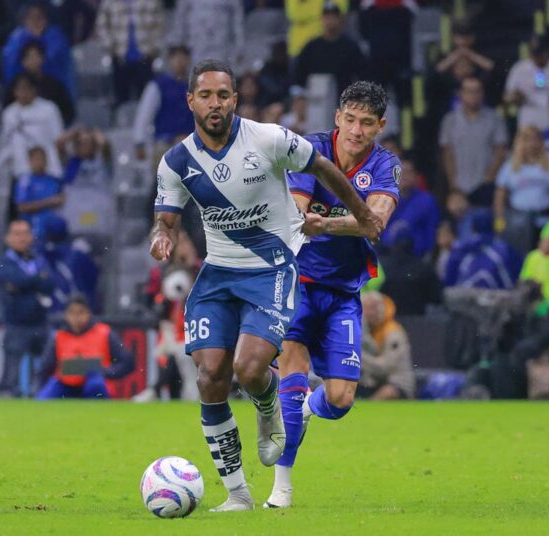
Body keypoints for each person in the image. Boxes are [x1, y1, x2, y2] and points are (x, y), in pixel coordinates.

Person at [150, 60, 382, 512]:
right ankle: (237, 494)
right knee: (210, 376)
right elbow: (166, 218)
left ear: (235, 99)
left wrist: (363, 213)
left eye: (223, 95)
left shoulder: (269, 139)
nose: (215, 103)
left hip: (272, 268)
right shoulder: (176, 161)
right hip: (218, 273)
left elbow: (323, 168)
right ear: (190, 101)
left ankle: (268, 403)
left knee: (249, 368)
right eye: (206, 95)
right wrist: (161, 234)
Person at [266, 81, 399, 509]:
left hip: (344, 291)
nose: (357, 130)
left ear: (380, 126)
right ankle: (279, 491)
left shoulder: (385, 165)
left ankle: (301, 411)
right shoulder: (311, 149)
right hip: (297, 282)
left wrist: (327, 224)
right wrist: (333, 219)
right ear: (338, 116)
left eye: (367, 123)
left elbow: (375, 221)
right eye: (350, 119)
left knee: (341, 400)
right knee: (293, 371)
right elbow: (298, 210)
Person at [0, 219, 54, 397]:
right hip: (16, 324)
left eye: (26, 233)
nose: (22, 238)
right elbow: (12, 279)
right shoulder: (3, 262)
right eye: (17, 233)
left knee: (45, 369)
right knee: (11, 373)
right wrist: (36, 280)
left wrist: (22, 286)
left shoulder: (39, 259)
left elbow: (50, 283)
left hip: (41, 322)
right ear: (8, 238)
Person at [36, 294, 134, 399]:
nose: (76, 318)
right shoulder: (59, 336)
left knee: (95, 386)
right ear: (66, 315)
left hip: (94, 382)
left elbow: (127, 362)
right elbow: (45, 368)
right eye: (72, 313)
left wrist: (106, 372)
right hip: (65, 383)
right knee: (44, 397)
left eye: (81, 312)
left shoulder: (104, 332)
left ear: (88, 313)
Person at [494, 125, 549, 256]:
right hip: (518, 221)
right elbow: (500, 197)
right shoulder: (510, 166)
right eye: (527, 139)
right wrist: (499, 222)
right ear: (520, 142)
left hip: (546, 218)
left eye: (535, 139)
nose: (532, 143)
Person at [0, 74, 64, 182]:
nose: (22, 93)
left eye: (26, 88)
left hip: (49, 173)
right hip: (22, 174)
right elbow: (7, 146)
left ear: (34, 90)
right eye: (19, 89)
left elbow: (59, 139)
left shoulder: (49, 109)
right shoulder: (9, 114)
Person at [439, 76, 508, 202]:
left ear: (482, 94)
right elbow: (448, 154)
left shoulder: (495, 119)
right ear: (461, 94)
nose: (473, 95)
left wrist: (488, 180)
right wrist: (453, 184)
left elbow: (500, 152)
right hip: (458, 187)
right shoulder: (450, 120)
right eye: (469, 91)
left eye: (477, 91)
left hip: (486, 186)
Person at [95, 0, 165, 106]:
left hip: (145, 58)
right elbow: (101, 25)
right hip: (119, 57)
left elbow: (160, 25)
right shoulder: (109, 2)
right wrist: (110, 45)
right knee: (121, 99)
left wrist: (152, 48)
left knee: (146, 100)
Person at [132, 45, 193, 162]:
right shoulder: (158, 85)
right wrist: (139, 141)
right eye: (176, 57)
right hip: (165, 141)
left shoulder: (196, 86)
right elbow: (145, 114)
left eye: (183, 57)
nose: (180, 61)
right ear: (170, 60)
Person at [504, 35, 549, 130]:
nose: (537, 57)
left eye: (540, 53)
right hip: (528, 117)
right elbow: (507, 97)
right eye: (534, 53)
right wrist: (517, 97)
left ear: (548, 51)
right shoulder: (519, 68)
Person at [292, 3, 366, 98]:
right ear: (321, 19)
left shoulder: (350, 47)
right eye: (327, 17)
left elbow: (364, 75)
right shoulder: (311, 47)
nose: (330, 21)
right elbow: (298, 76)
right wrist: (299, 97)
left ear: (340, 20)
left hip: (344, 100)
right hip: (317, 98)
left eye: (333, 17)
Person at [2, 3, 75, 97]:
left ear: (46, 20)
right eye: (31, 18)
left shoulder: (57, 37)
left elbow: (55, 61)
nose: (35, 22)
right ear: (25, 20)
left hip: (52, 90)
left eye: (39, 18)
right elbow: (10, 63)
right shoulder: (16, 38)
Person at [357, 291, 415, 400]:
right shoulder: (367, 329)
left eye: (372, 308)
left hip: (397, 384)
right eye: (365, 308)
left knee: (387, 392)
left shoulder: (393, 332)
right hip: (375, 381)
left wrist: (356, 355)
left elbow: (385, 367)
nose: (368, 313)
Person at [3, 42, 75, 126]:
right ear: (22, 61)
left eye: (35, 56)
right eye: (28, 57)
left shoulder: (54, 84)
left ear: (42, 58)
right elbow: (5, 110)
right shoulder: (15, 84)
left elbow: (68, 112)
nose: (32, 61)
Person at [380, 155, 439, 258]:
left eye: (408, 172)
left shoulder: (427, 200)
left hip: (416, 258)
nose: (404, 176)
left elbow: (431, 235)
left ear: (415, 176)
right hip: (388, 257)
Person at [14, 147, 65, 244]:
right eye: (37, 159)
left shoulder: (54, 181)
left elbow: (62, 200)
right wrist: (49, 202)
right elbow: (22, 207)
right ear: (30, 161)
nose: (40, 162)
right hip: (33, 232)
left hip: (54, 232)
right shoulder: (25, 182)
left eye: (43, 159)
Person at [170, 0, 244, 65]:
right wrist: (179, 45)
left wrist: (239, 46)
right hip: (196, 45)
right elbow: (180, 18)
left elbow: (238, 21)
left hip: (221, 45)